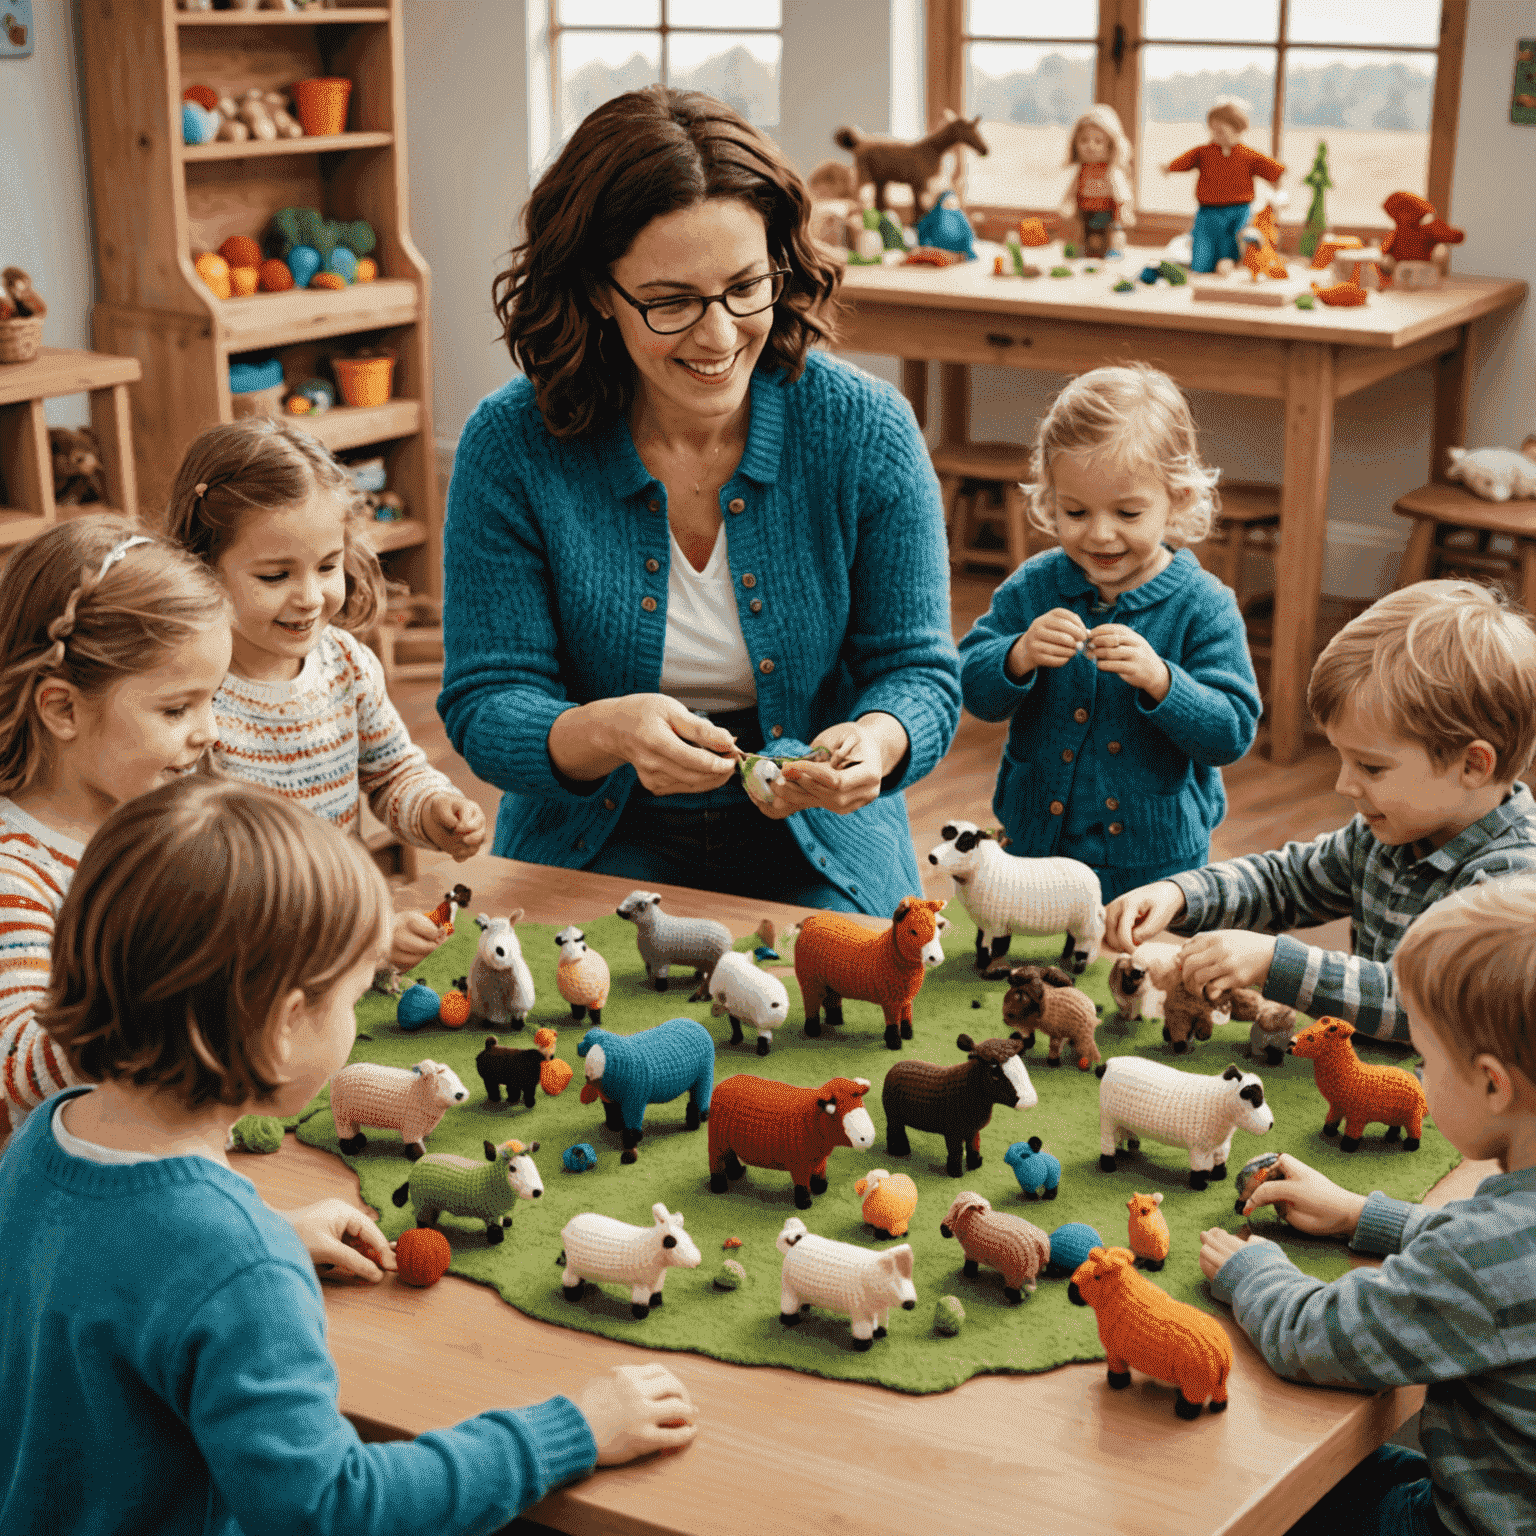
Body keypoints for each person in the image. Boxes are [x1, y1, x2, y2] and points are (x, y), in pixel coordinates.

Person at [0, 776, 699, 1535]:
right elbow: (334, 1507)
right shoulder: (238, 1264)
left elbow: (114, 1274)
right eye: (356, 990)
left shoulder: (46, 1134)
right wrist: (574, 1430)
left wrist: (269, 1235)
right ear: (286, 1022)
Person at [439, 86, 960, 915]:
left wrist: (875, 740)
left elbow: (917, 670)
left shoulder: (865, 429)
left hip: (819, 832)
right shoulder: (512, 447)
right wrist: (608, 732)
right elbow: (487, 700)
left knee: (845, 1011)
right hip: (596, 829)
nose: (718, 337)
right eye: (672, 301)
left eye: (746, 287)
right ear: (598, 290)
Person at [1200, 875, 1536, 1536]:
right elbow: (1505, 1259)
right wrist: (1364, 1214)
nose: (1418, 1079)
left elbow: (1320, 1339)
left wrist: (1255, 1275)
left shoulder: (1478, 1262)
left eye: (1428, 1061)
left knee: (1248, 1483)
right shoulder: (1498, 1248)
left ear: (1492, 1084)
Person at [1105, 580, 1536, 1041]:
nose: (1343, 784)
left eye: (1370, 767)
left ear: (1472, 764)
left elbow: (1421, 1004)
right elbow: (1283, 883)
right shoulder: (1387, 834)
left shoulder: (1514, 885)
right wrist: (1182, 894)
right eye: (1342, 759)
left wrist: (1274, 961)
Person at [164, 417, 486, 972]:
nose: (310, 597)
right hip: (239, 955)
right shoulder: (191, 700)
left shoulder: (347, 665)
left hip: (338, 936)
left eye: (328, 566)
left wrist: (433, 810)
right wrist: (360, 935)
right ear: (201, 569)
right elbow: (199, 871)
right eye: (274, 576)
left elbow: (389, 773)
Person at [957, 364, 1260, 905]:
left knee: (1134, 974)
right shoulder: (1036, 585)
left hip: (1155, 863)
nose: (1099, 533)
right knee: (1030, 967)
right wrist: (1017, 655)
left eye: (1127, 512)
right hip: (1036, 848)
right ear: (1050, 499)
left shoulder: (1203, 605)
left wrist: (1164, 682)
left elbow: (1231, 732)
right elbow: (972, 687)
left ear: (1180, 499)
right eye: (1075, 511)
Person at [0, 515, 231, 1132]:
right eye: (177, 708)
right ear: (63, 708)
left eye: (213, 700)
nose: (210, 732)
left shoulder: (160, 814)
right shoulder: (16, 873)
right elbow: (19, 1075)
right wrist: (169, 988)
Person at [1160, 97, 1285, 274]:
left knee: (1232, 248)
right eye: (1213, 130)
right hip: (1208, 212)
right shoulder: (1204, 153)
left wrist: (1279, 179)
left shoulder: (1247, 155)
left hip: (1238, 211)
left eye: (1222, 131)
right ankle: (1203, 266)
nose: (1216, 135)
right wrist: (1170, 167)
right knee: (1202, 254)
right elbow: (1186, 160)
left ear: (1237, 129)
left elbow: (1273, 170)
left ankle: (1230, 266)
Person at [1058, 103, 1135, 259]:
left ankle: (1114, 250)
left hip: (1107, 212)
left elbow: (1121, 194)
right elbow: (1072, 191)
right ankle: (1080, 250)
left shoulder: (1111, 172)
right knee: (1080, 231)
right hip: (1084, 211)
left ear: (1111, 145)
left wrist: (1125, 210)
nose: (1090, 147)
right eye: (1084, 140)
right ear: (1075, 143)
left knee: (1112, 232)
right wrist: (1066, 204)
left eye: (1098, 141)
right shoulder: (1082, 171)